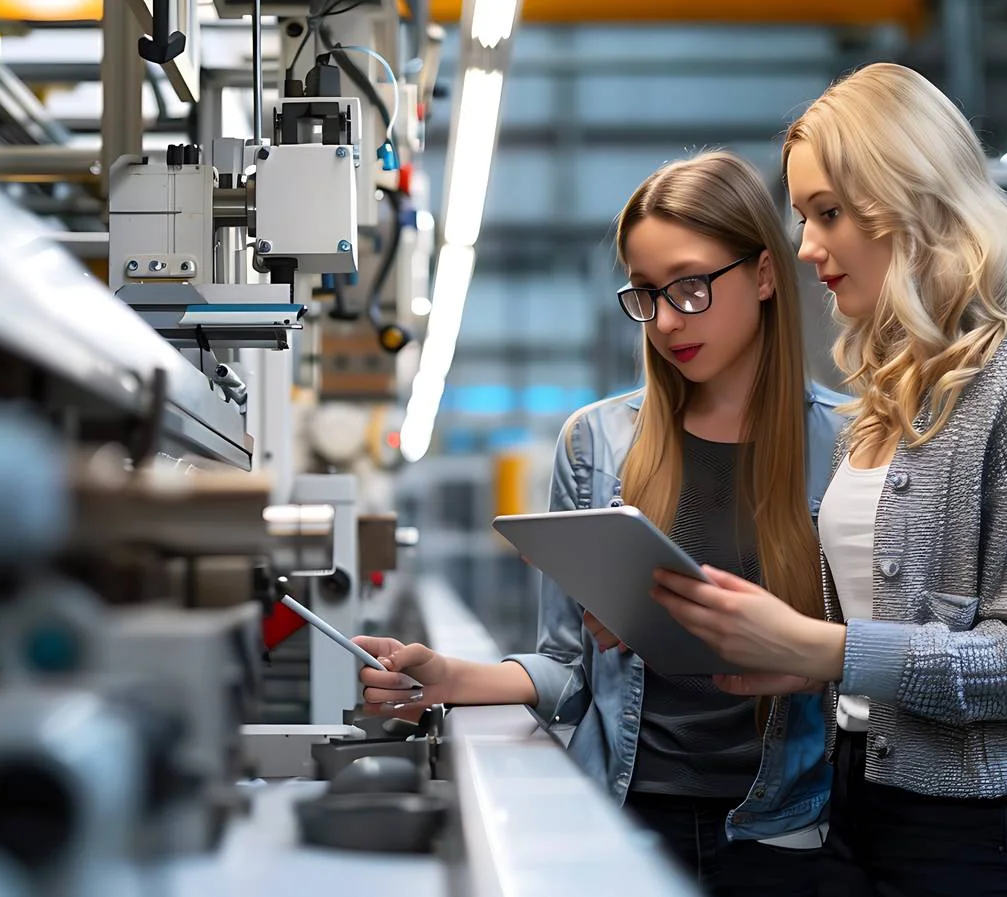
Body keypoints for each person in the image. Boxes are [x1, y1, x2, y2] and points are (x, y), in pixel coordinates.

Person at [649, 63, 1007, 897]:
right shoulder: (885, 402)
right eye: (801, 217)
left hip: (990, 838)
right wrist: (800, 659)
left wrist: (823, 648)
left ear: (915, 200)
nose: (804, 246)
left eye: (828, 213)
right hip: (863, 805)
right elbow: (880, 631)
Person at [352, 149, 846, 897]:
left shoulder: (854, 446)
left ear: (766, 274)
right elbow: (570, 665)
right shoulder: (597, 443)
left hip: (791, 834)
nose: (668, 320)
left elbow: (875, 662)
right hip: (624, 815)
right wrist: (447, 677)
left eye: (690, 286)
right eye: (647, 294)